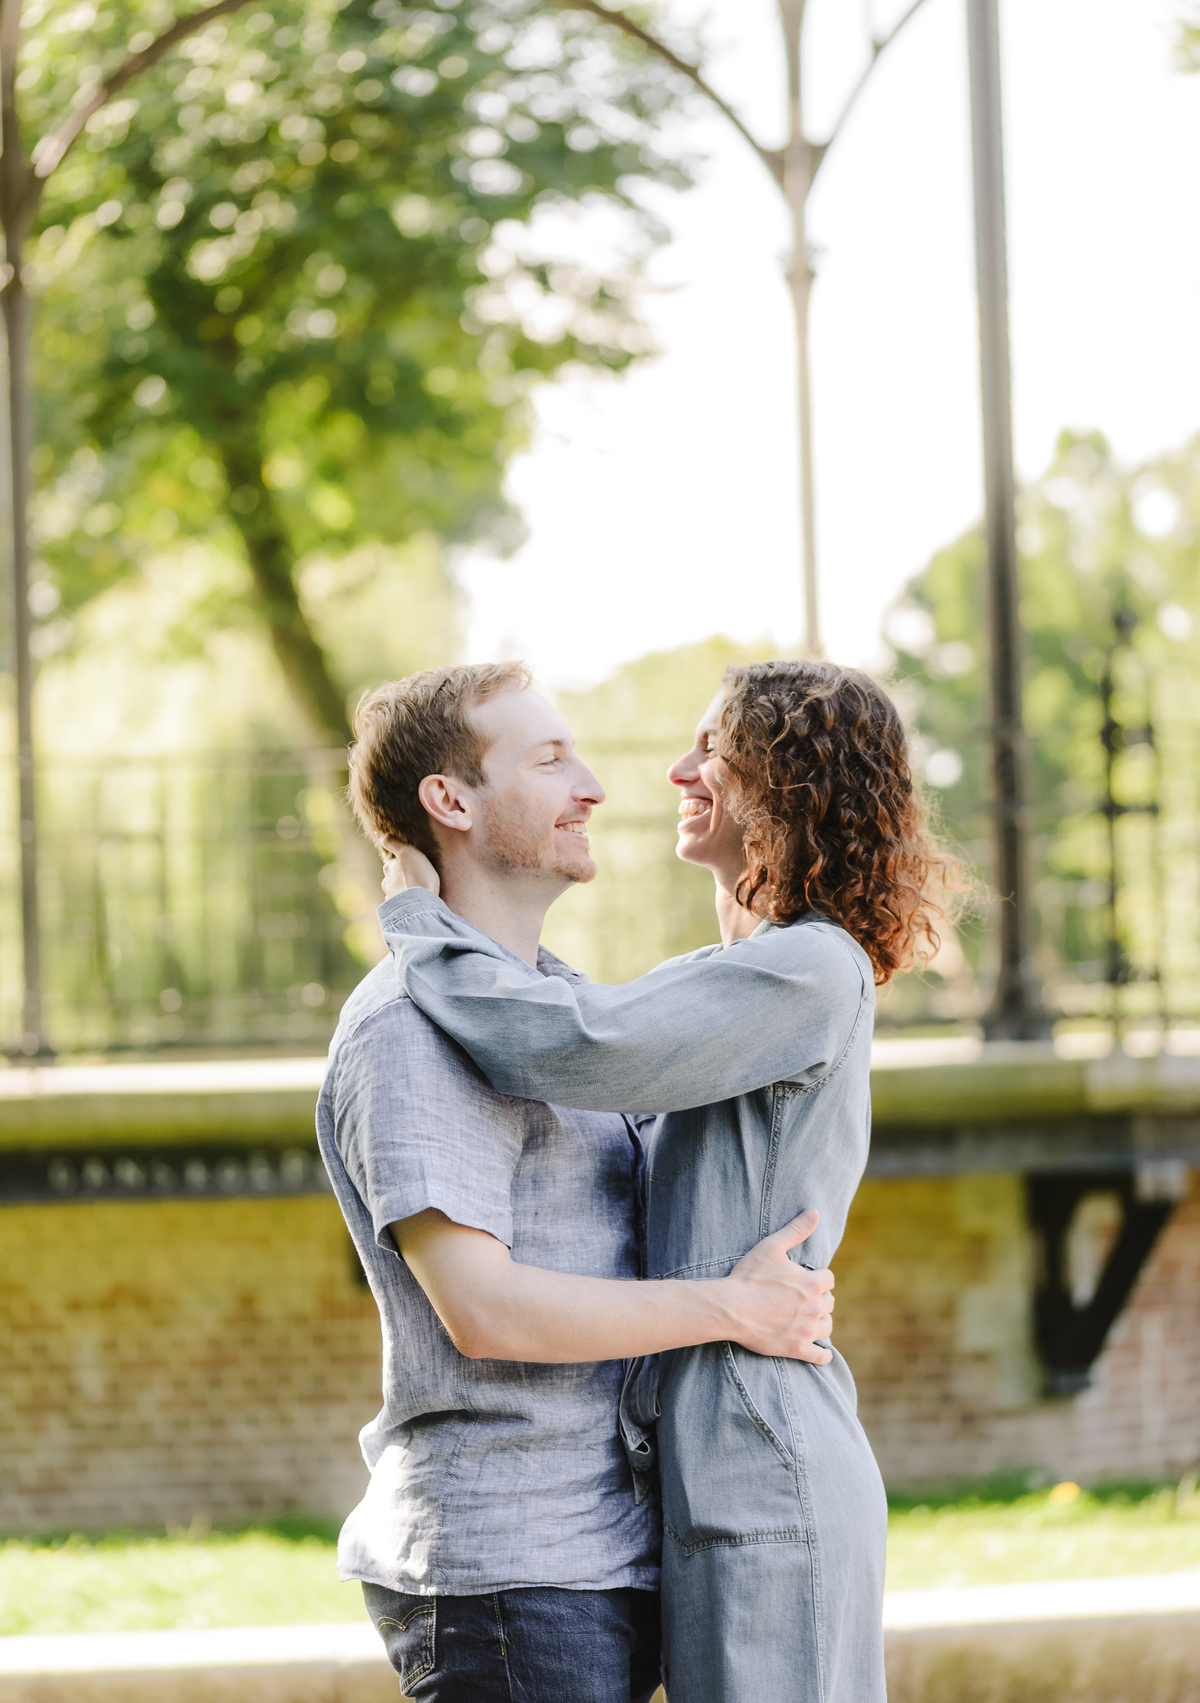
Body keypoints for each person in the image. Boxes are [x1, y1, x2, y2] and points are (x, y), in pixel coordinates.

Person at [379, 658, 954, 1703]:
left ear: (785, 782)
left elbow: (568, 1045)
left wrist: (420, 919)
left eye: (713, 750)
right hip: (710, 1460)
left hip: (760, 1455)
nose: (680, 772)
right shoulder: (735, 973)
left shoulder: (810, 967)